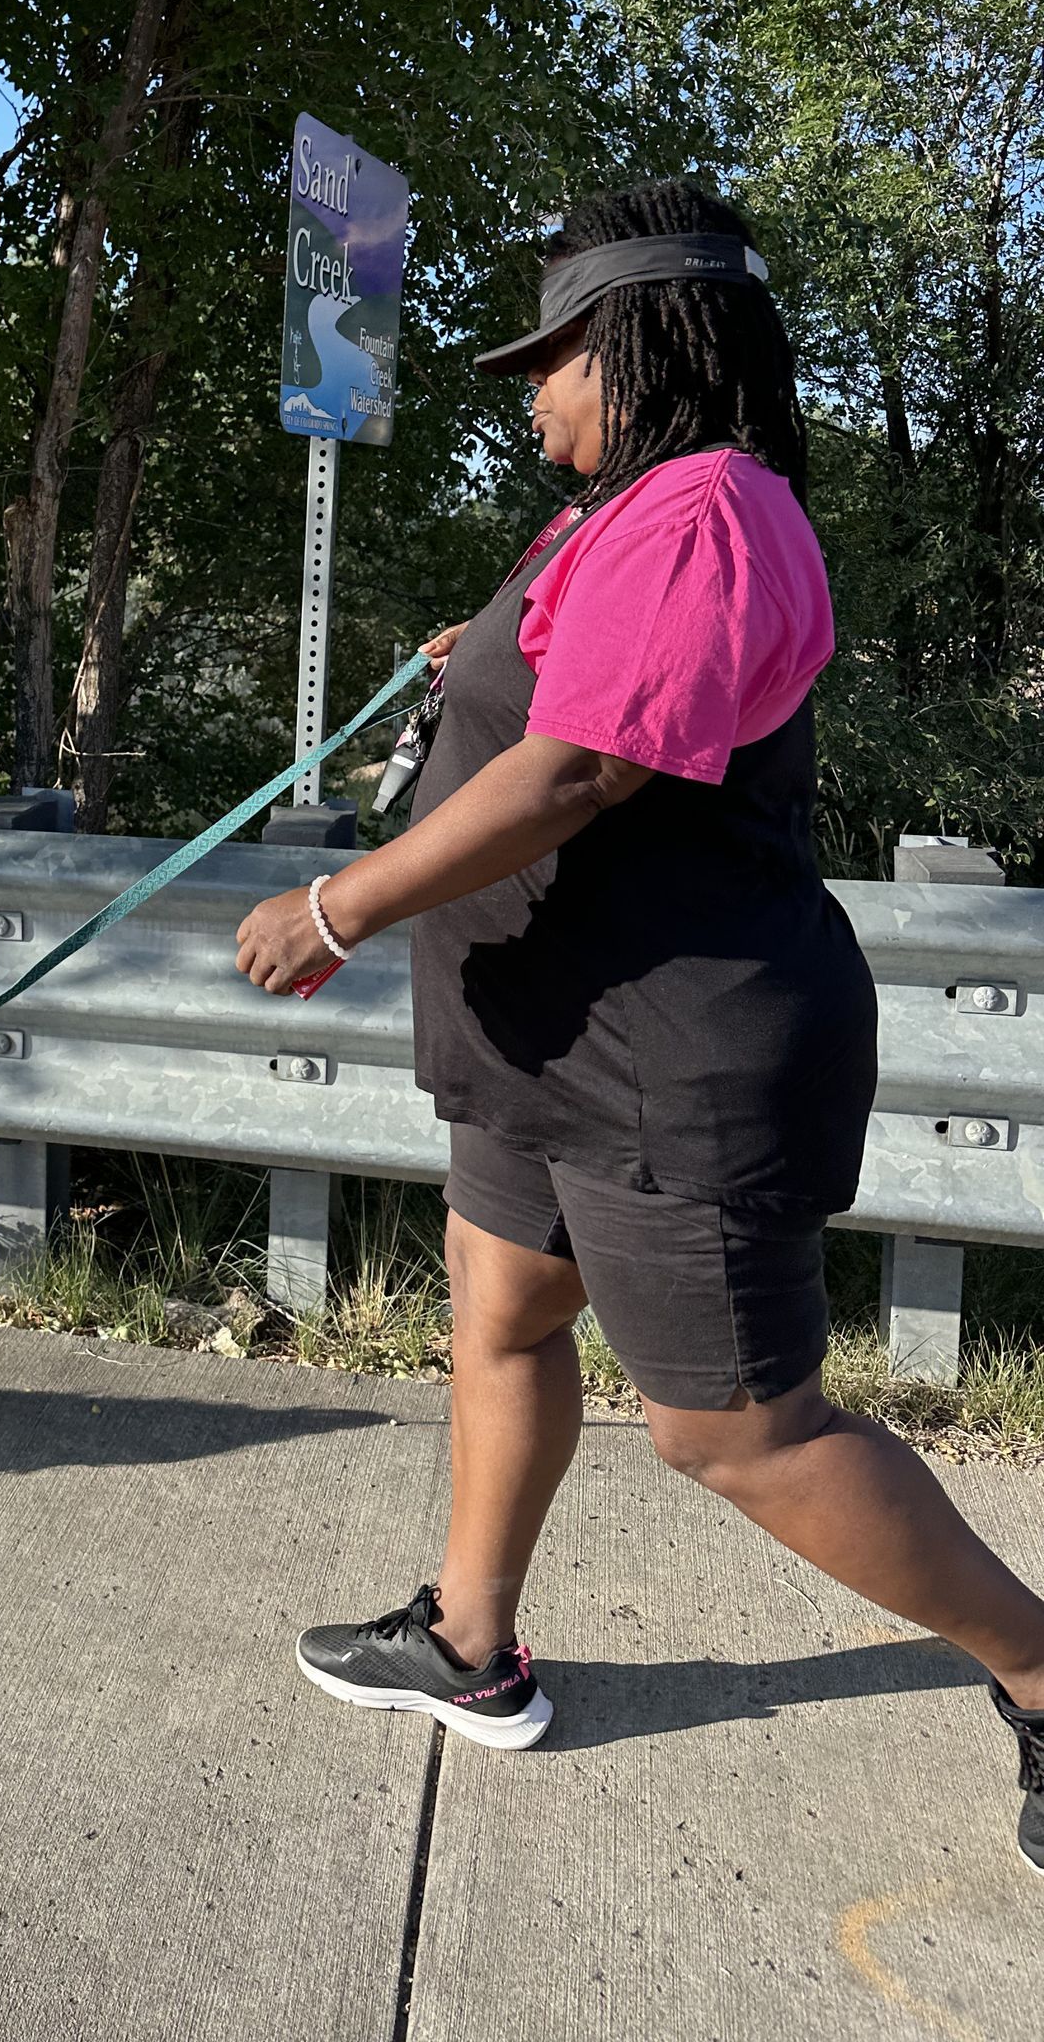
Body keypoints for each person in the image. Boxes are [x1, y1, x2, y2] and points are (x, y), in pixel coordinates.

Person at [233, 177, 1044, 1873]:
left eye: (551, 358)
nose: (531, 393)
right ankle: (469, 1644)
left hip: (674, 1055)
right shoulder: (623, 515)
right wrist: (475, 659)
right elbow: (570, 683)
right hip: (545, 1035)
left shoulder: (710, 510)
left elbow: (582, 771)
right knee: (502, 1316)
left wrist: (341, 905)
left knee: (738, 1430)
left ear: (641, 346)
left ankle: (1041, 1669)